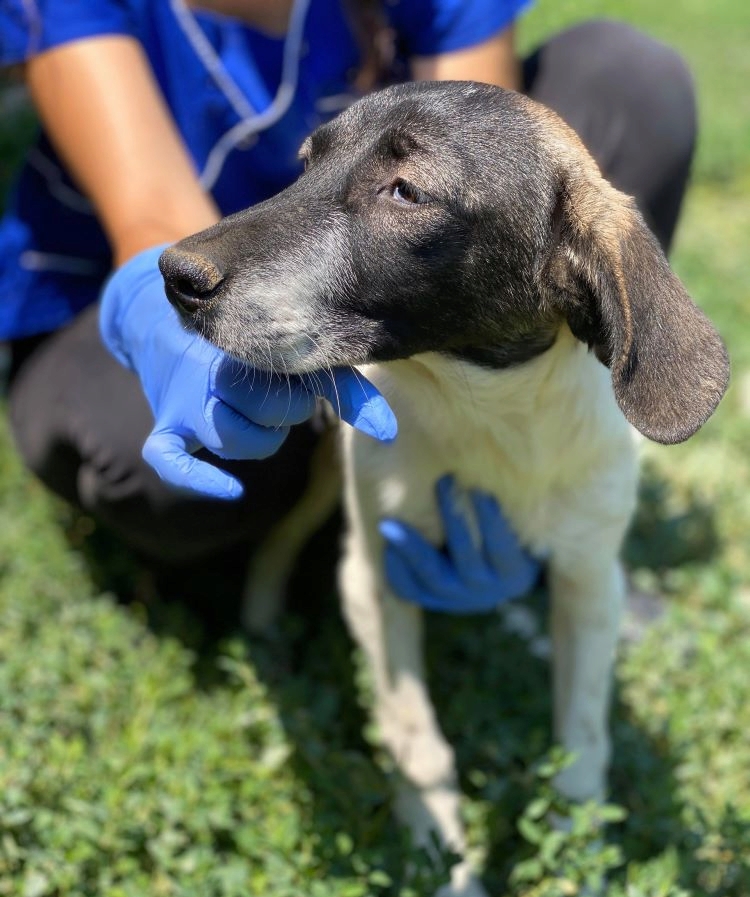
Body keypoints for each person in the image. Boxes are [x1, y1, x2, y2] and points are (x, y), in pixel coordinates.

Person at [0, 1, 696, 614]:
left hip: (369, 298)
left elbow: (481, 166)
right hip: (121, 290)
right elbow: (164, 228)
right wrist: (165, 319)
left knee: (629, 81)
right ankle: (304, 551)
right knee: (170, 459)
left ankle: (531, 495)